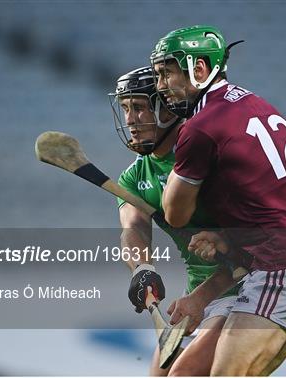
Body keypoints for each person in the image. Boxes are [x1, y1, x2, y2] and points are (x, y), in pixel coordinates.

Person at [151, 25, 286, 376]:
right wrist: (228, 236)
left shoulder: (200, 126)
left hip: (284, 268)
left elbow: (175, 213)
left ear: (199, 69)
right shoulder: (256, 104)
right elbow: (268, 197)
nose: (161, 86)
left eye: (167, 72)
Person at [108, 66, 240, 376]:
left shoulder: (207, 154)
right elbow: (134, 227)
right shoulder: (134, 176)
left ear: (168, 108)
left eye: (139, 108)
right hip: (196, 293)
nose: (129, 120)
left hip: (244, 287)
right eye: (125, 108)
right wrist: (142, 269)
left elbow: (255, 236)